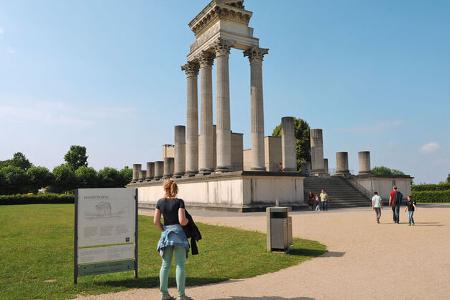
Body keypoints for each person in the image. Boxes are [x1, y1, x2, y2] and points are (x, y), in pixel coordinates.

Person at [154, 180, 192, 300]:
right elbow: (182, 221)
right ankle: (181, 296)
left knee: (165, 265)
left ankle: (164, 294)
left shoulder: (160, 202)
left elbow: (155, 221)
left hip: (166, 235)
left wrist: (164, 230)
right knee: (180, 265)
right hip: (179, 235)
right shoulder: (179, 202)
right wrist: (188, 222)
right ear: (175, 189)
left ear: (164, 188)